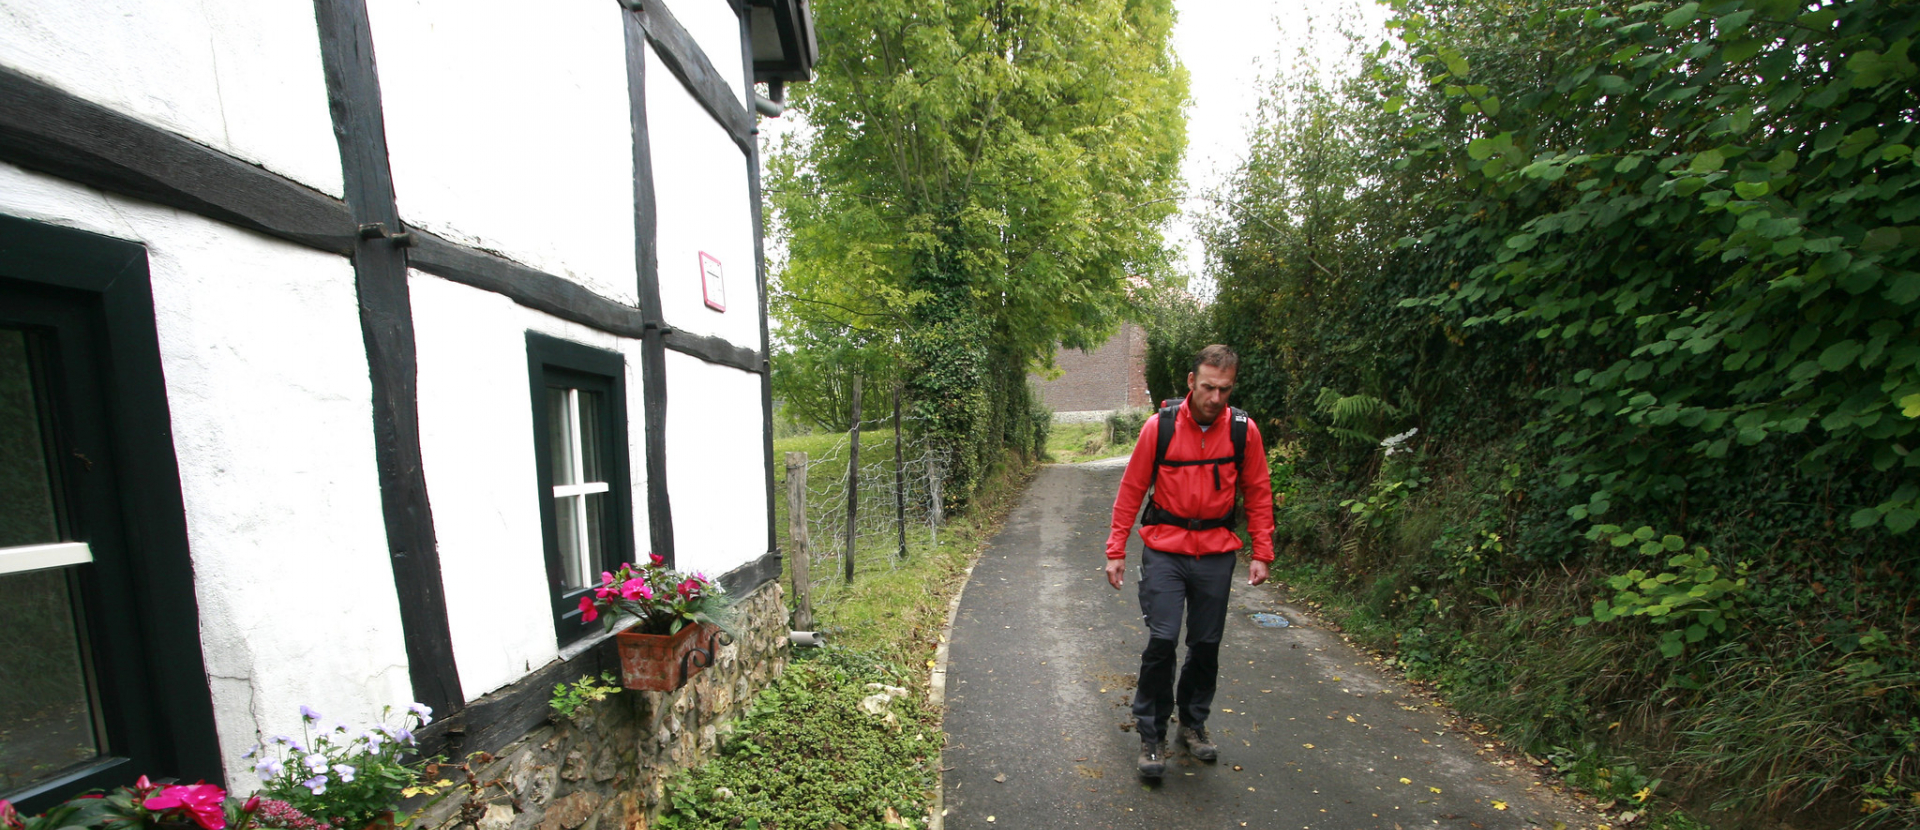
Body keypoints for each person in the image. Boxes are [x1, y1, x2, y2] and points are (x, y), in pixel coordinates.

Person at [1105, 344, 1276, 778]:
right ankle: (1151, 733)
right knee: (1162, 640)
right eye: (1207, 387)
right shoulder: (1158, 429)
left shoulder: (1243, 431)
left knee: (1205, 644)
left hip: (1216, 552)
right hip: (1165, 548)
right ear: (1190, 383)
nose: (1215, 398)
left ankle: (1193, 724)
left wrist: (1262, 551)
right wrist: (1116, 549)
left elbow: (1258, 491)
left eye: (1224, 389)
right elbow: (1131, 491)